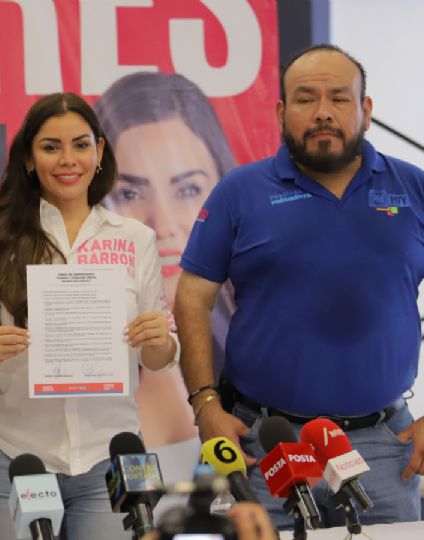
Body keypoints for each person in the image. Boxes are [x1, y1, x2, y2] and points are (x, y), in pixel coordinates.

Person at [175, 44, 424, 528]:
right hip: (266, 442)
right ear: (280, 112)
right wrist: (204, 403)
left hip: (382, 445)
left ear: (366, 110)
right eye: (305, 99)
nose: (322, 114)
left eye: (339, 98)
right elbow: (192, 296)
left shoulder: (417, 190)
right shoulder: (239, 192)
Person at [0, 93, 179, 539]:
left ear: (99, 152)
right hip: (12, 456)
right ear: (29, 159)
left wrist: (159, 340)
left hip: (110, 454)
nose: (67, 159)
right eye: (50, 146)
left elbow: (160, 357)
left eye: (80, 144)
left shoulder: (136, 239)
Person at [94, 72, 238, 448]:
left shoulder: (260, 339)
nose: (163, 224)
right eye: (129, 194)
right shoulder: (77, 342)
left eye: (188, 189)